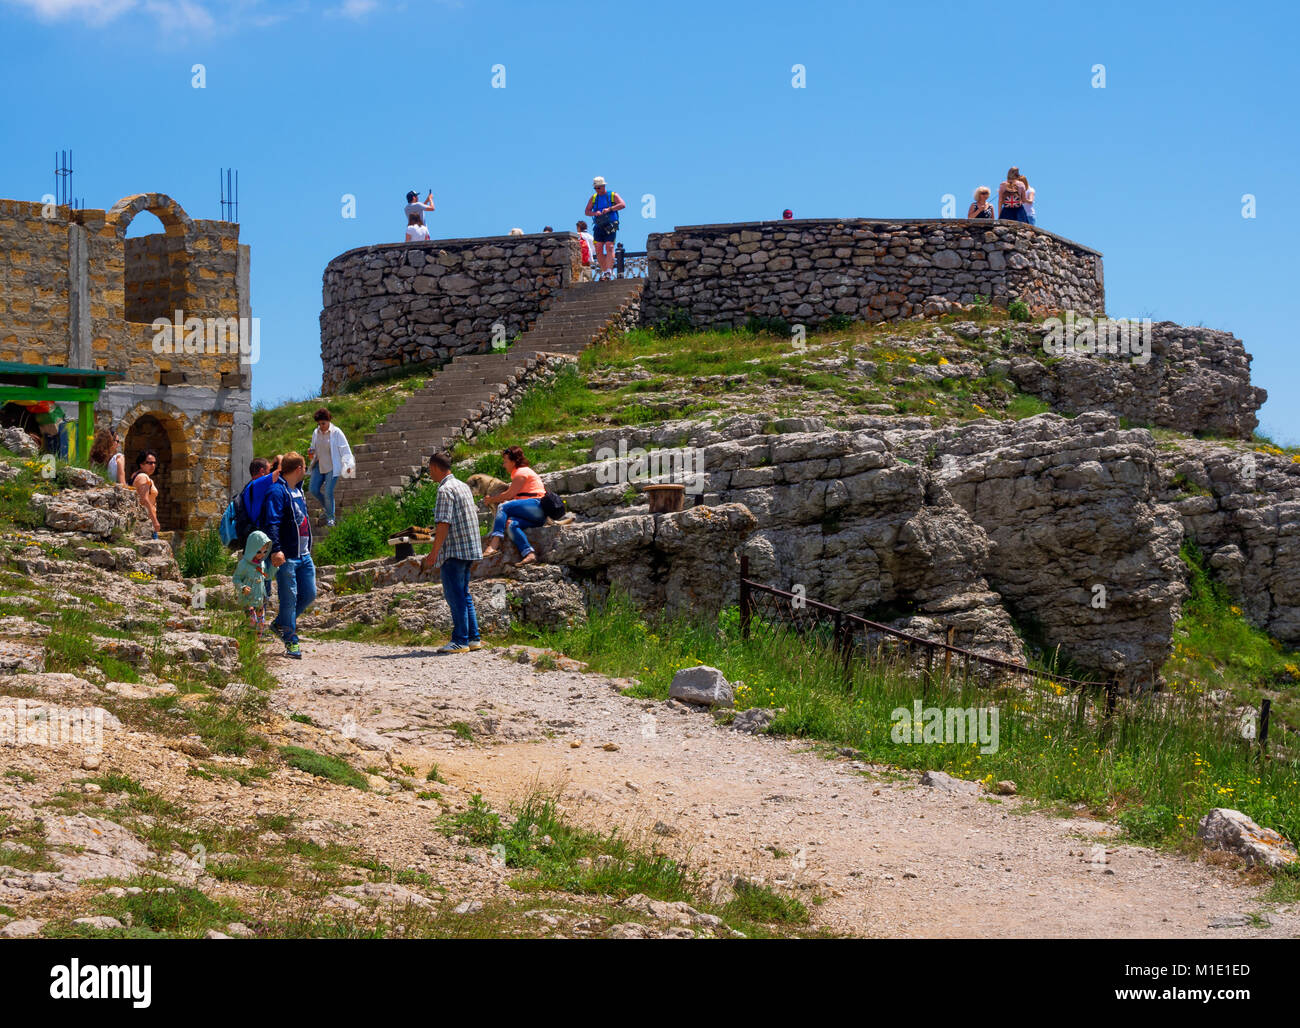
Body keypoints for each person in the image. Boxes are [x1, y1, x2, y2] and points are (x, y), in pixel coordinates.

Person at [419, 451, 483, 654]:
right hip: (470, 548)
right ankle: (473, 638)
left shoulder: (445, 490)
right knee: (464, 594)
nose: (430, 475)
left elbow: (443, 524)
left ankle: (460, 640)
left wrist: (434, 553)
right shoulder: (463, 486)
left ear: (437, 468)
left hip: (454, 550)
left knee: (455, 596)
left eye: (430, 470)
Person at [261, 451, 316, 660]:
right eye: (304, 467)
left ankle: (279, 624)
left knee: (310, 594)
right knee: (289, 598)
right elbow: (272, 522)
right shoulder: (277, 492)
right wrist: (276, 549)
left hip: (304, 554)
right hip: (287, 556)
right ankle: (291, 641)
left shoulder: (298, 489)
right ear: (299, 469)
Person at [481, 446, 547, 567]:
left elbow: (509, 495)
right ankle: (529, 553)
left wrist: (492, 500)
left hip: (536, 506)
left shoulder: (521, 473)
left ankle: (494, 544)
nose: (503, 465)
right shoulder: (521, 473)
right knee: (511, 524)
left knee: (503, 506)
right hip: (535, 514)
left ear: (514, 461)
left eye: (505, 461)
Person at [308, 408, 354, 527]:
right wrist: (311, 452)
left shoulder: (336, 432)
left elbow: (345, 449)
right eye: (319, 424)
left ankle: (330, 518)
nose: (321, 426)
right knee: (313, 489)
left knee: (328, 492)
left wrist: (349, 465)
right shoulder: (315, 432)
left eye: (323, 423)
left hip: (332, 466)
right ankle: (328, 509)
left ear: (328, 421)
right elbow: (313, 448)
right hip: (319, 464)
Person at [584, 176, 626, 280]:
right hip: (599, 226)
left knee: (609, 246)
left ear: (603, 186)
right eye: (595, 188)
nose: (597, 190)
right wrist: (595, 213)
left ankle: (608, 271)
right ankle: (605, 272)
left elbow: (622, 204)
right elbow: (586, 211)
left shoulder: (612, 195)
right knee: (598, 248)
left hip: (610, 225)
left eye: (599, 187)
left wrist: (610, 209)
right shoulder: (593, 198)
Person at [233, 530, 272, 636]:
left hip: (260, 597)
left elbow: (266, 577)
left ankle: (256, 640)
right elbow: (236, 578)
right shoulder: (244, 564)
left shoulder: (262, 563)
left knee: (261, 621)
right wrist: (242, 587)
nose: (261, 555)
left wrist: (274, 567)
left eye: (265, 552)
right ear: (252, 549)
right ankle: (243, 632)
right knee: (252, 619)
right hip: (248, 598)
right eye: (258, 552)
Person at [130, 450, 161, 539]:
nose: (153, 465)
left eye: (154, 463)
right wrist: (155, 521)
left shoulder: (136, 475)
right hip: (147, 521)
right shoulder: (143, 477)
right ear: (141, 464)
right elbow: (144, 499)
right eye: (149, 463)